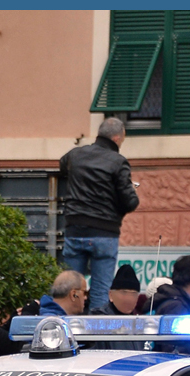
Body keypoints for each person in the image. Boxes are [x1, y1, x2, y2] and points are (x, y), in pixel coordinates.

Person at [58, 117, 140, 311]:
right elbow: (130, 202)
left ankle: (64, 335)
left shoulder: (75, 155)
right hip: (105, 233)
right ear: (117, 137)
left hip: (75, 228)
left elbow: (62, 165)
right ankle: (96, 338)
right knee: (100, 291)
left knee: (69, 289)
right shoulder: (118, 162)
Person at [88, 264, 145, 351]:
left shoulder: (139, 322)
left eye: (133, 294)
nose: (128, 299)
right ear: (111, 295)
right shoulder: (98, 321)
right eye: (124, 293)